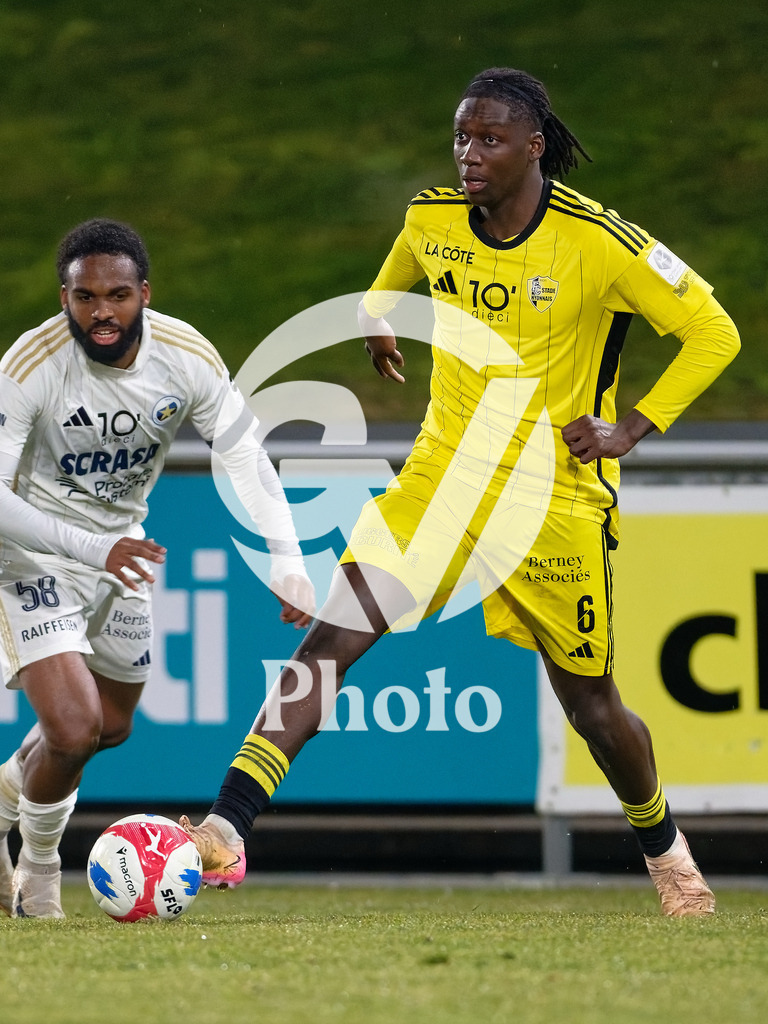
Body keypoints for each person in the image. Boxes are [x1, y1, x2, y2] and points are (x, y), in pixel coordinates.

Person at [181, 68, 740, 916]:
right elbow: (392, 279)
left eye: (489, 140)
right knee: (332, 643)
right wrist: (376, 317)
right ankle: (225, 827)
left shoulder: (601, 243)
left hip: (552, 500)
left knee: (591, 705)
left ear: (534, 147)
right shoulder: (432, 217)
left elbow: (714, 331)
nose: (469, 156)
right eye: (461, 138)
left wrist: (631, 427)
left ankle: (666, 853)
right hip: (440, 479)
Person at [0, 219, 314, 918]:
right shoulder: (30, 366)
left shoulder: (184, 357)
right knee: (75, 727)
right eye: (84, 298)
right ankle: (40, 879)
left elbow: (245, 458)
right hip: (29, 556)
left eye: (116, 295)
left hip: (122, 554)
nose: (101, 313)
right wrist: (91, 549)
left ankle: (1, 804)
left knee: (112, 726)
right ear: (64, 298)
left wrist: (287, 562)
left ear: (145, 293)